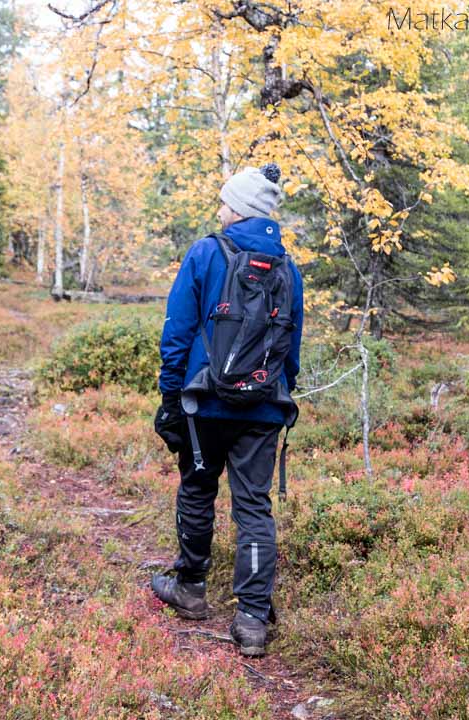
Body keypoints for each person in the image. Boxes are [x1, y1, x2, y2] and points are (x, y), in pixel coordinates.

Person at [152, 163, 303, 657]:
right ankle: (253, 619)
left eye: (225, 201)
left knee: (197, 489)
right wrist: (280, 390)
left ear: (239, 208)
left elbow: (176, 336)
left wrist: (171, 399)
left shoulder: (204, 253)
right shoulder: (289, 269)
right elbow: (292, 347)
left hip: (204, 402)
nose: (220, 208)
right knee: (254, 506)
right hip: (263, 406)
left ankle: (191, 588)